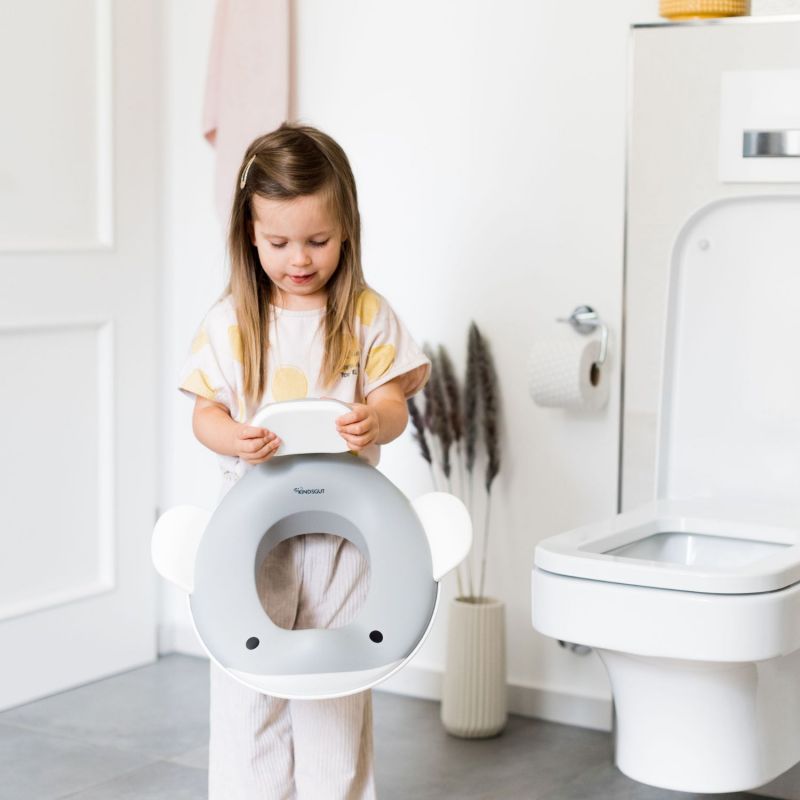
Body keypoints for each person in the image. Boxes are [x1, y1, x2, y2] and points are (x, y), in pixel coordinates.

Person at [177, 121, 431, 800]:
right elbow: (204, 413)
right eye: (279, 242)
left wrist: (371, 420)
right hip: (252, 543)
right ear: (249, 234)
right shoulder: (232, 321)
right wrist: (232, 436)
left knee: (334, 689)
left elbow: (395, 406)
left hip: (345, 540)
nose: (299, 259)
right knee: (248, 694)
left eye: (317, 240)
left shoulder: (367, 316)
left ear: (346, 227)